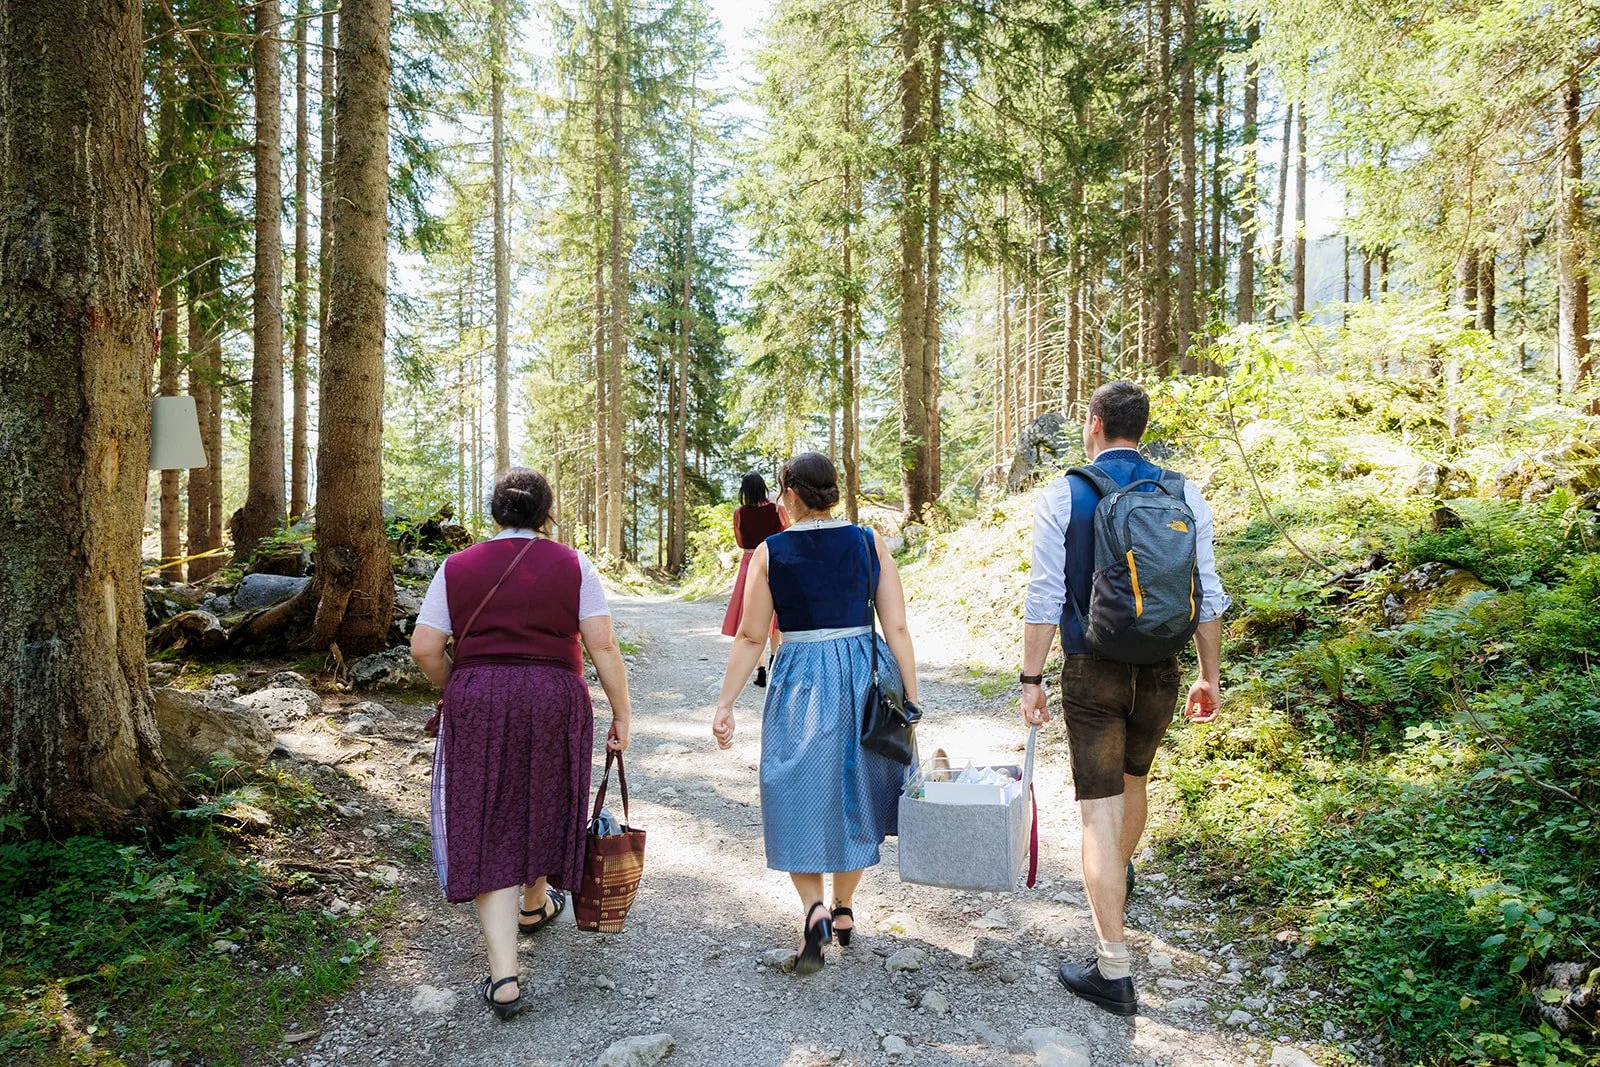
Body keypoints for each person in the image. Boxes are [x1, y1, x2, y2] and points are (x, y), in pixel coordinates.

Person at [1018, 380, 1229, 1017]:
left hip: (1093, 668)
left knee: (1096, 815)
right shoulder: (1183, 490)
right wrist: (1210, 676)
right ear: (1141, 427)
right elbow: (1208, 591)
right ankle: (1119, 874)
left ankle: (1113, 967)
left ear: (1094, 424)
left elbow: (1045, 595)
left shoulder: (1065, 492)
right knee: (1135, 781)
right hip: (1162, 666)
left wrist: (1031, 678)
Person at [410, 467, 632, 1020]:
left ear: (495, 512)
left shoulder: (456, 566)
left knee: (487, 814)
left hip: (480, 694)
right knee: (546, 796)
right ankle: (535, 901)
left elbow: (425, 647)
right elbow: (602, 644)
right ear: (545, 512)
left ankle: (505, 974)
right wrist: (622, 714)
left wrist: (458, 687)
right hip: (554, 694)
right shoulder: (572, 564)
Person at [711, 452, 919, 975]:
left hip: (802, 673)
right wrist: (910, 700)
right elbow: (896, 628)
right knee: (858, 788)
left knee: (794, 787)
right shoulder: (868, 542)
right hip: (862, 675)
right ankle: (846, 908)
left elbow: (753, 635)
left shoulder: (770, 551)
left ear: (791, 495)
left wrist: (726, 703)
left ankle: (816, 910)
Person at [721, 472, 789, 686]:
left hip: (750, 562)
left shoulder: (739, 513)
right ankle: (773, 659)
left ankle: (760, 669)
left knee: (751, 614)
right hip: (776, 560)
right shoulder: (778, 510)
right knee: (776, 615)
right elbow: (787, 532)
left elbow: (741, 542)